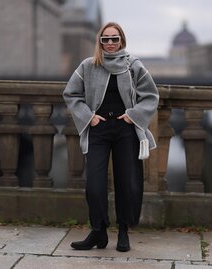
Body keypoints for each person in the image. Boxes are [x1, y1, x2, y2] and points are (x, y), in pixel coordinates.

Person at [63, 22, 159, 252]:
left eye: (114, 39)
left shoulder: (133, 65)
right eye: (105, 39)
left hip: (126, 130)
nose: (110, 43)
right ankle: (99, 232)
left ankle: (124, 232)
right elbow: (71, 93)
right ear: (100, 42)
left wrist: (133, 115)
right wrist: (89, 117)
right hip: (99, 130)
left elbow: (151, 95)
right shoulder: (88, 65)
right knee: (94, 186)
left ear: (122, 40)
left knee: (127, 183)